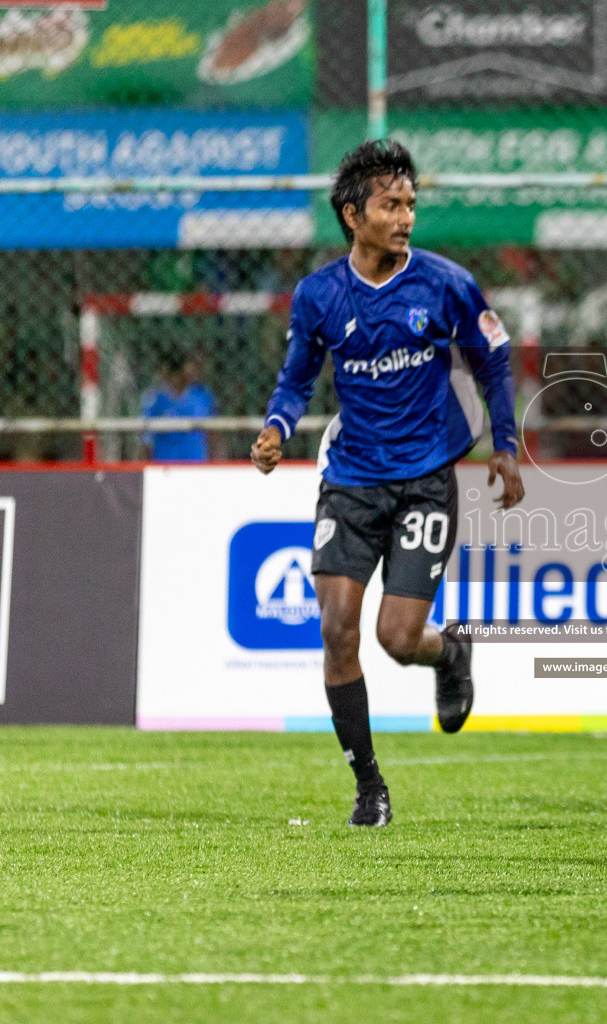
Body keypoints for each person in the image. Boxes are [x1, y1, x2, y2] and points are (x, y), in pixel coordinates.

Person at [252, 139, 524, 828]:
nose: (405, 217)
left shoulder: (445, 283)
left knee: (398, 638)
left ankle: (448, 650)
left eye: (410, 205)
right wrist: (278, 429)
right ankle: (368, 785)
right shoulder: (319, 295)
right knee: (337, 629)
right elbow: (295, 378)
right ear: (353, 215)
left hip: (426, 479)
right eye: (391, 205)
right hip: (350, 480)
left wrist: (507, 445)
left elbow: (492, 358)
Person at [141, 351, 217, 462]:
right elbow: (146, 440)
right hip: (164, 465)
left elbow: (214, 436)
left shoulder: (202, 396)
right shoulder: (155, 398)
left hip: (196, 464)